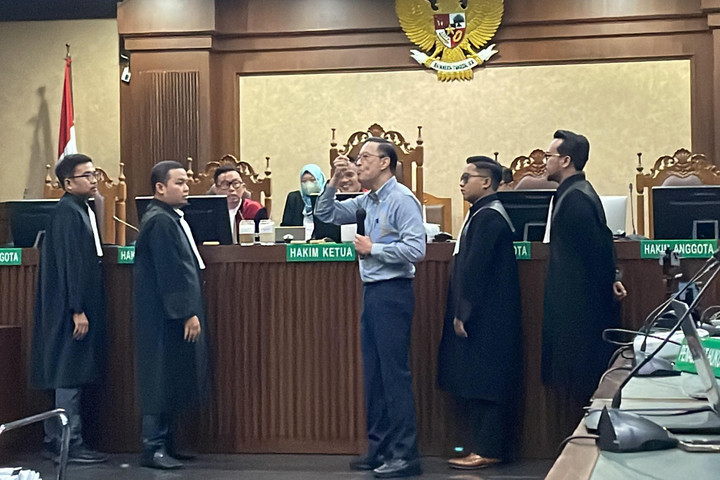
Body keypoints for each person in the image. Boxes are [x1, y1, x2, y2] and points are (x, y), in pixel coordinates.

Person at [315, 137, 426, 478]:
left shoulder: (401, 199)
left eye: (365, 157)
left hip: (393, 292)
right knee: (375, 376)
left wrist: (373, 249)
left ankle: (405, 455)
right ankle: (379, 449)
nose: (358, 162)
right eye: (357, 157)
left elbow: (416, 249)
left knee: (393, 376)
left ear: (385, 163)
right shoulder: (368, 199)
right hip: (373, 292)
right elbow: (326, 213)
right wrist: (333, 181)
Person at [437, 156, 522, 469]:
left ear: (486, 182)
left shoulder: (489, 217)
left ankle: (488, 448)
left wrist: (463, 312)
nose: (461, 183)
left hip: (488, 316)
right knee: (477, 379)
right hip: (484, 314)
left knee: (486, 381)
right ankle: (483, 446)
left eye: (466, 177)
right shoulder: (481, 213)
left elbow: (476, 269)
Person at [541, 130, 628, 433]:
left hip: (580, 315)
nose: (544, 162)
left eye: (549, 156)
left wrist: (612, 278)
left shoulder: (576, 198)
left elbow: (597, 250)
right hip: (576, 309)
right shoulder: (571, 193)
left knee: (583, 387)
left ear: (565, 160)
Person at [31, 153, 108, 464]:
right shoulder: (67, 213)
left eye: (94, 174)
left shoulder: (80, 208)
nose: (94, 180)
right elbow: (70, 264)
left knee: (70, 372)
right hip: (68, 309)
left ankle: (58, 440)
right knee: (68, 373)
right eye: (86, 175)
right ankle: (67, 442)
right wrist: (77, 308)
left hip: (75, 305)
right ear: (67, 183)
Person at [133, 160, 210, 469]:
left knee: (172, 377)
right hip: (162, 317)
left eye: (186, 181)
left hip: (169, 314)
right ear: (160, 188)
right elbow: (170, 272)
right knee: (159, 378)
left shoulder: (167, 217)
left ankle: (168, 443)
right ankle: (152, 447)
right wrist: (187, 312)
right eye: (179, 182)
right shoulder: (160, 221)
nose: (187, 187)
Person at [213, 164, 268, 239]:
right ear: (216, 190)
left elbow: (263, 240)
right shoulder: (209, 212)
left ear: (243, 187)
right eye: (225, 184)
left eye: (236, 183)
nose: (231, 189)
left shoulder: (254, 209)